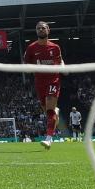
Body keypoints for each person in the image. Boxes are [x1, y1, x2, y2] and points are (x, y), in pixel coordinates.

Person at [23, 21, 65, 150]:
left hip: (53, 80)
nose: (41, 29)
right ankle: (55, 113)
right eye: (38, 28)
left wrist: (63, 67)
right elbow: (26, 63)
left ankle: (48, 139)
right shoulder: (31, 48)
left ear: (48, 30)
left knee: (50, 110)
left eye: (43, 28)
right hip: (39, 82)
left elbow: (60, 60)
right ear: (36, 31)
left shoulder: (55, 47)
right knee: (49, 113)